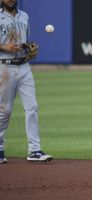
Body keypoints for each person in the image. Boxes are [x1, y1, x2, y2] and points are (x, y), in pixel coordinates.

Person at [0, 0, 53, 163]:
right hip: (4, 68)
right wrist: (4, 47)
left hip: (24, 67)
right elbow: (6, 45)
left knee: (32, 107)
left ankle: (35, 150)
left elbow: (23, 41)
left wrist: (27, 47)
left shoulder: (25, 16)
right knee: (4, 111)